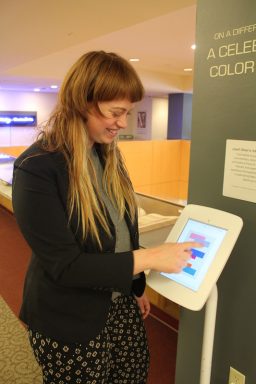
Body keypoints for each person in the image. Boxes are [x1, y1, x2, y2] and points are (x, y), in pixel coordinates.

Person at [12, 51, 200, 384]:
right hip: (69, 317)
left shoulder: (108, 156)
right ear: (83, 102)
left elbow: (121, 229)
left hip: (119, 301)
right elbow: (66, 266)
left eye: (128, 112)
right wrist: (151, 258)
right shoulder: (37, 168)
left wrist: (133, 284)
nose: (123, 123)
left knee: (133, 374)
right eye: (115, 112)